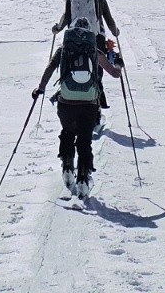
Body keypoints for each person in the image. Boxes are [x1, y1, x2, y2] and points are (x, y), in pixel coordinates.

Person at [32, 19, 123, 196]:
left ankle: (67, 166)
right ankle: (83, 178)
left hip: (66, 102)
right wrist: (118, 62)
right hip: (89, 104)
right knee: (84, 140)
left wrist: (41, 88)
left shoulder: (64, 50)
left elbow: (50, 68)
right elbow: (115, 73)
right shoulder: (94, 51)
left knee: (67, 131)